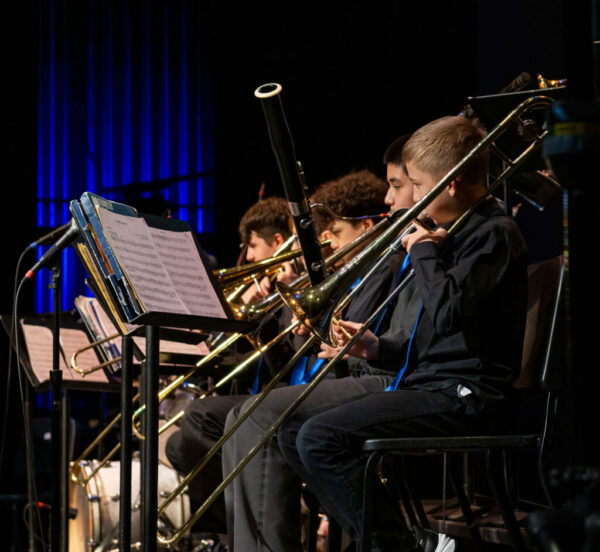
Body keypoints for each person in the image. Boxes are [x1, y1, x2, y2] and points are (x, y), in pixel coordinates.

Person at [286, 115, 529, 551]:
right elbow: (438, 341)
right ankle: (395, 541)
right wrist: (377, 347)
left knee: (319, 437)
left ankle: (397, 546)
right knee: (290, 430)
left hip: (468, 396)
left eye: (417, 184)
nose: (412, 197)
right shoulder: (450, 235)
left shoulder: (494, 234)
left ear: (450, 185)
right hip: (431, 385)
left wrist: (423, 253)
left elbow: (448, 314)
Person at [221, 153, 420, 552]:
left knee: (260, 417)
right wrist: (288, 317)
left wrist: (320, 320)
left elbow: (356, 342)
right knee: (235, 418)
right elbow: (309, 351)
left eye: (335, 233)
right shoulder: (364, 268)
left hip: (380, 379)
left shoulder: (391, 261)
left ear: (365, 228)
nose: (389, 199)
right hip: (349, 375)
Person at [164, 195, 297, 537]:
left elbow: (290, 363)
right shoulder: (267, 287)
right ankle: (226, 531)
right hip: (264, 392)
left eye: (252, 246)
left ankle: (238, 528)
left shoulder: (295, 283)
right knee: (178, 446)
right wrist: (249, 318)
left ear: (277, 242)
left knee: (200, 421)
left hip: (291, 393)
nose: (249, 257)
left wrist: (270, 312)